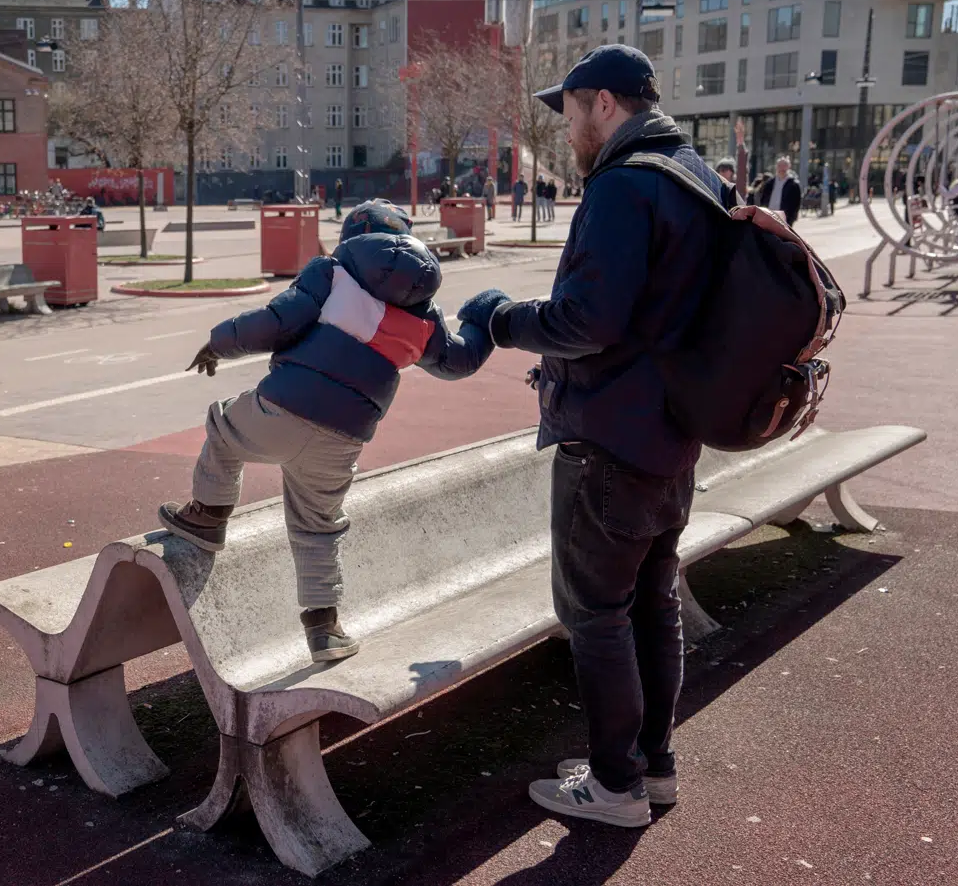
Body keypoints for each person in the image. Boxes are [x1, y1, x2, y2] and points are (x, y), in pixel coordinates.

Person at [459, 44, 724, 828]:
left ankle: (614, 785)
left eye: (569, 111)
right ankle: (654, 767)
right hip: (675, 435)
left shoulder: (622, 185)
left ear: (603, 103)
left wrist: (505, 319)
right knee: (652, 603)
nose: (566, 129)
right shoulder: (697, 178)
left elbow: (589, 321)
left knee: (596, 614)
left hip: (609, 437)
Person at [158, 199, 497, 663]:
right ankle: (324, 628)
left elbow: (275, 323)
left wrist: (217, 342)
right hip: (344, 438)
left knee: (223, 426)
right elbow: (460, 361)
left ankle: (208, 516)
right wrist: (487, 315)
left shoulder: (331, 273)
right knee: (317, 526)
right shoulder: (424, 316)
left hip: (282, 408)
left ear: (352, 238)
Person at [756, 157, 802, 225]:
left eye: (784, 165)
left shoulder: (793, 184)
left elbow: (797, 202)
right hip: (769, 214)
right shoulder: (770, 183)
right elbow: (762, 197)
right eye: (780, 166)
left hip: (785, 218)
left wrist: (792, 217)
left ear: (788, 167)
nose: (782, 168)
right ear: (776, 167)